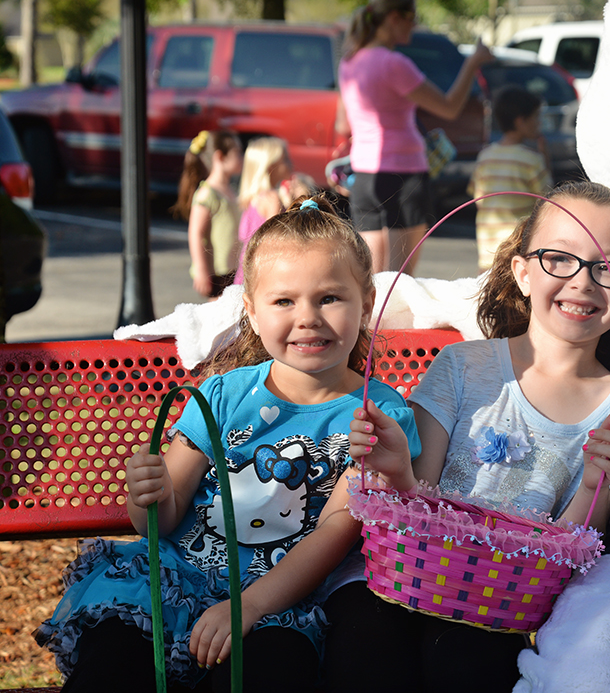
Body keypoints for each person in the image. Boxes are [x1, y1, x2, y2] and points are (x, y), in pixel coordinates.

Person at [35, 195, 421, 693]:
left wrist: (250, 606)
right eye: (284, 301)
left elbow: (334, 531)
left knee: (270, 670)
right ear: (252, 313)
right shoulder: (222, 395)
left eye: (329, 298)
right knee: (112, 660)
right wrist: (147, 495)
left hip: (279, 602)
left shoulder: (377, 415)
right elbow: (162, 519)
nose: (307, 317)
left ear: (366, 303)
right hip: (174, 580)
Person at [323, 180, 610, 693]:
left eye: (607, 268)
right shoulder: (463, 366)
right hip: (401, 573)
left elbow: (574, 549)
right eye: (559, 259)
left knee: (468, 660)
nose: (582, 282)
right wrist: (396, 468)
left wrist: (593, 485)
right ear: (523, 273)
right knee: (368, 642)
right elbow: (414, 500)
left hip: (501, 601)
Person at [338, 0, 492, 276]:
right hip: (403, 174)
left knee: (372, 280)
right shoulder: (394, 64)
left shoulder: (349, 61)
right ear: (394, 17)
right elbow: (449, 107)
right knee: (400, 280)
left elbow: (342, 123)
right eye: (412, 18)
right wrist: (473, 63)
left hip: (364, 176)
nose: (415, 25)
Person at [468, 84, 551, 272]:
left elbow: (478, 198)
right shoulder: (531, 159)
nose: (539, 123)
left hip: (487, 247)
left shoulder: (485, 156)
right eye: (536, 117)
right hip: (519, 247)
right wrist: (546, 158)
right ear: (521, 121)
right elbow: (548, 200)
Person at [171, 129, 243, 300]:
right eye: (237, 152)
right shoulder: (207, 194)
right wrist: (201, 269)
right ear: (220, 157)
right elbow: (196, 233)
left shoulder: (230, 190)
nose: (242, 157)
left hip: (233, 268)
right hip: (217, 270)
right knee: (218, 312)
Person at [233, 137, 313, 286]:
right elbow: (275, 237)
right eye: (285, 159)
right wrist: (302, 200)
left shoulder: (254, 198)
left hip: (246, 273)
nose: (291, 163)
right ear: (270, 166)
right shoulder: (272, 198)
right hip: (261, 276)